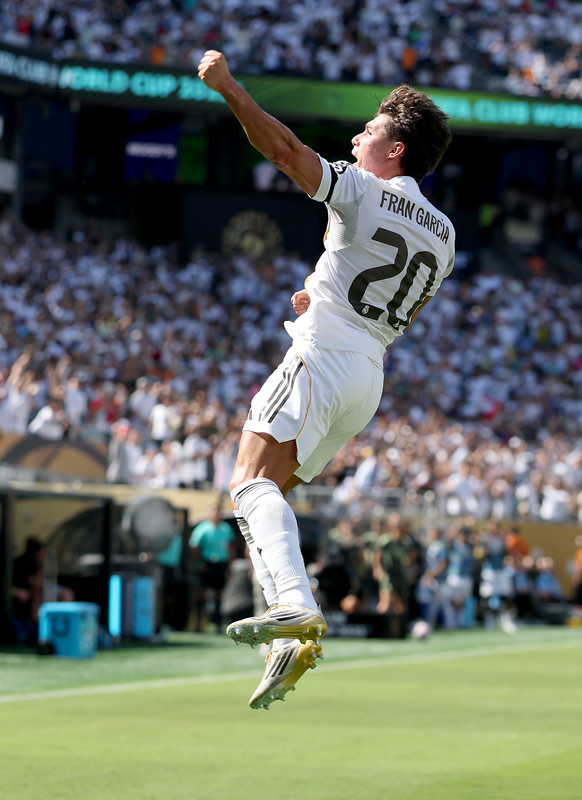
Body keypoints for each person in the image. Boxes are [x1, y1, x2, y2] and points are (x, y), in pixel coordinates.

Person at [197, 49, 454, 709]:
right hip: (367, 378)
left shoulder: (364, 190)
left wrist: (230, 89)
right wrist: (323, 295)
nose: (355, 138)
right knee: (269, 494)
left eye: (367, 132)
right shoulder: (446, 234)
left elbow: (284, 151)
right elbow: (381, 290)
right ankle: (288, 630)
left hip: (323, 358)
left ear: (393, 149)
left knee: (248, 483)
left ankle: (294, 610)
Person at [188, 509, 236, 631]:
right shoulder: (203, 528)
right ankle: (199, 623)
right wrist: (199, 562)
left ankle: (218, 623)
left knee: (219, 594)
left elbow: (230, 547)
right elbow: (194, 545)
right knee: (203, 593)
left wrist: (230, 565)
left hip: (221, 564)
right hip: (207, 563)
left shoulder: (226, 529)